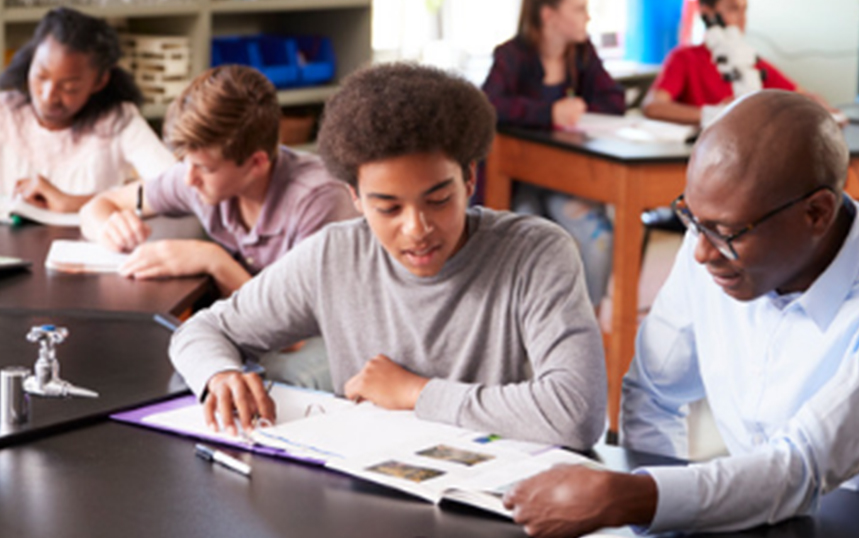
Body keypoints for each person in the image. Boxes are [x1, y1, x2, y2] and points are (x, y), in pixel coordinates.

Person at [504, 91, 859, 538]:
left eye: (728, 232)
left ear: (817, 213)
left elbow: (802, 467)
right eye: (692, 220)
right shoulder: (711, 242)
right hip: (763, 533)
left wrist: (631, 498)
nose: (702, 252)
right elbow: (654, 391)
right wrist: (656, 533)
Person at [167, 63, 607, 450]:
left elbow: (578, 412)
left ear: (469, 177)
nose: (416, 228)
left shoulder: (536, 254)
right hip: (363, 494)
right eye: (388, 208)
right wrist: (218, 376)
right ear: (355, 198)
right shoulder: (334, 255)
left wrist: (417, 393)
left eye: (437, 199)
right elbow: (202, 331)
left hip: (490, 498)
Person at [79, 64, 356, 390]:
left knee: (269, 381)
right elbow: (98, 206)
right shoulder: (201, 176)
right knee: (182, 368)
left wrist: (212, 260)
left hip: (326, 338)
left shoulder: (318, 198)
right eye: (185, 162)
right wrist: (108, 225)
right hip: (259, 324)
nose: (187, 178)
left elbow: (289, 333)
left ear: (256, 163)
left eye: (203, 168)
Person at [482, 0, 625, 308]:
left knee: (599, 236)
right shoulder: (510, 56)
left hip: (567, 178)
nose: (587, 16)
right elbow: (489, 105)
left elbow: (614, 100)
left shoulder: (583, 54)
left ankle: (585, 322)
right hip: (519, 180)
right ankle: (526, 327)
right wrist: (550, 112)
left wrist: (579, 110)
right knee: (529, 237)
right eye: (578, 8)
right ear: (549, 15)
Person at [0, 7, 174, 212]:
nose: (48, 96)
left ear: (99, 81)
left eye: (69, 87)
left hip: (92, 243)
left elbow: (174, 186)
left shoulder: (118, 120)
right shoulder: (6, 111)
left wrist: (73, 203)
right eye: (41, 76)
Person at [642, 0, 838, 127]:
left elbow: (801, 95)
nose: (742, 19)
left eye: (745, 10)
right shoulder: (684, 58)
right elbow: (653, 106)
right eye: (733, 9)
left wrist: (817, 104)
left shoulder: (750, 61)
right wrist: (713, 115)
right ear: (707, 12)